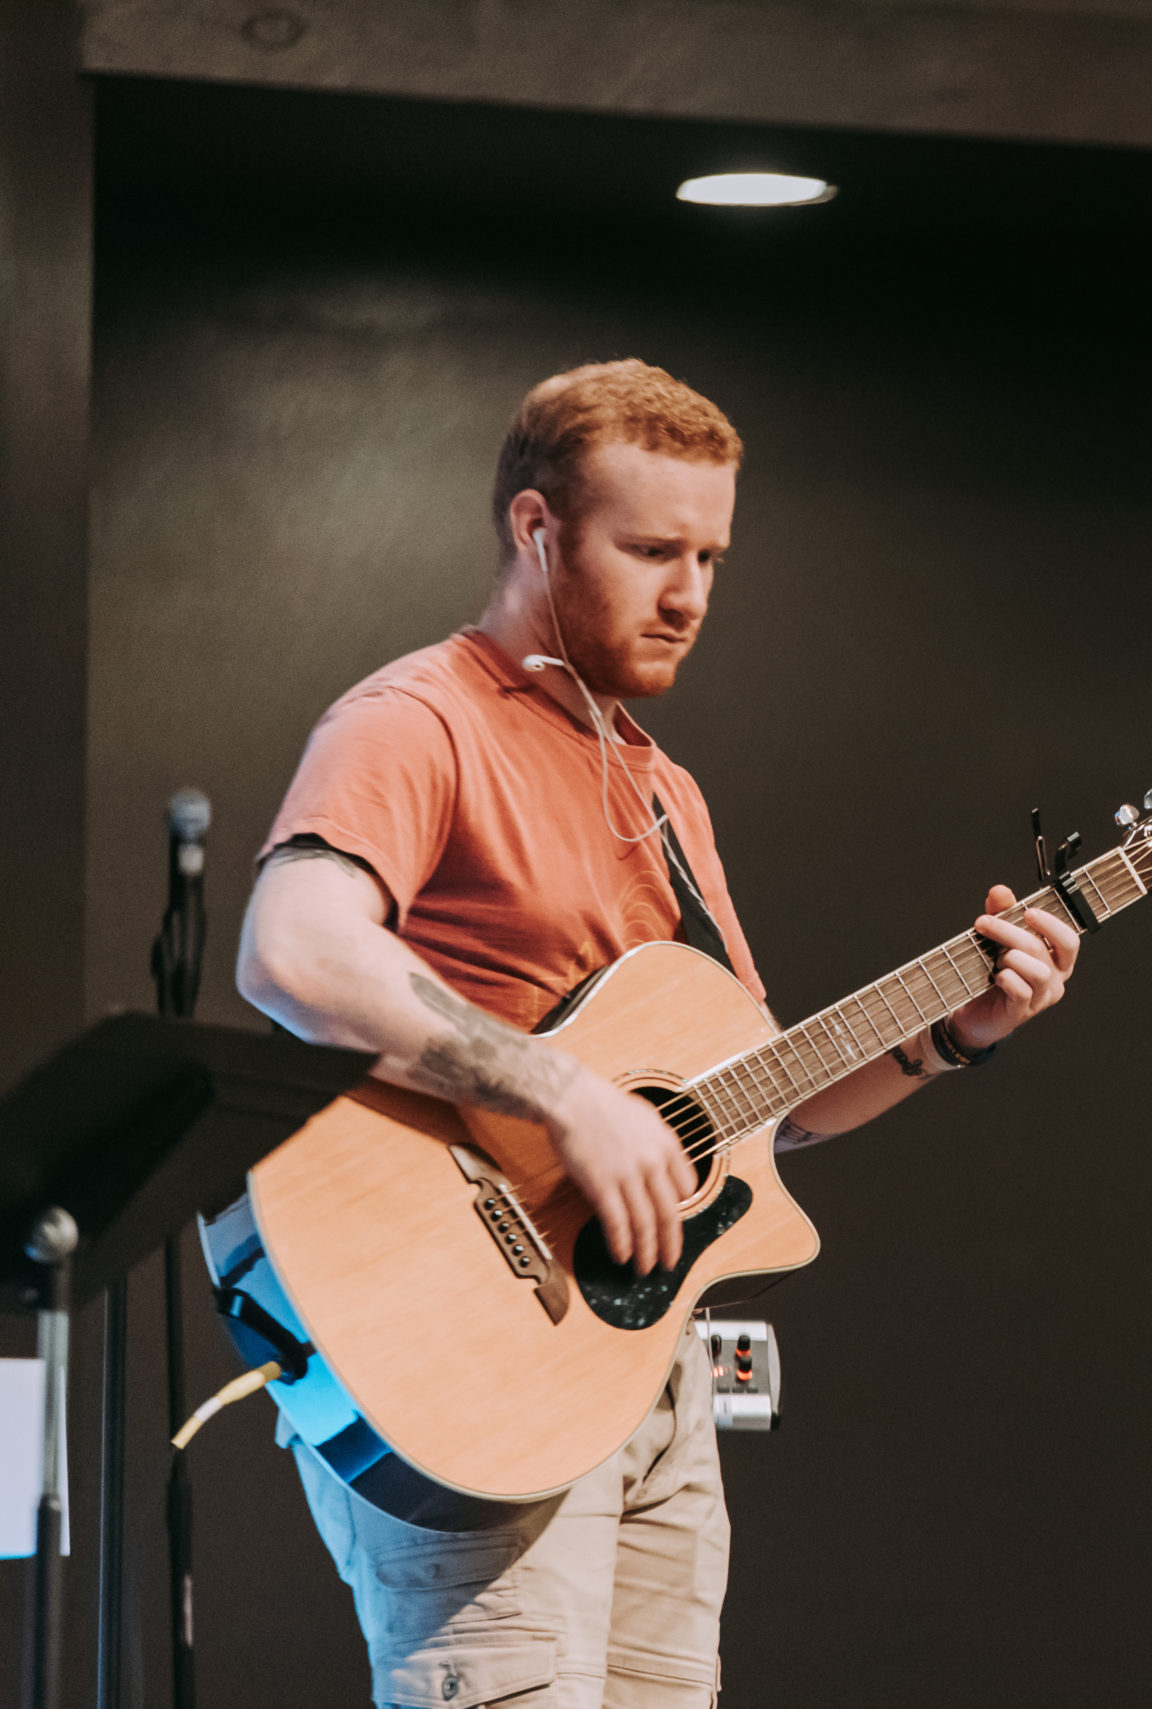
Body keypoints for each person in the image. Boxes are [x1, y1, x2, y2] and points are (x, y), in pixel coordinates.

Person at [234, 359, 1080, 1708]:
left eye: (710, 557)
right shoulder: (418, 719)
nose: (690, 594)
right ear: (536, 529)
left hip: (645, 1367)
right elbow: (295, 950)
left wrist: (950, 1036)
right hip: (474, 1354)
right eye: (650, 551)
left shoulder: (663, 790)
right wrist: (566, 1095)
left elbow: (759, 1112)